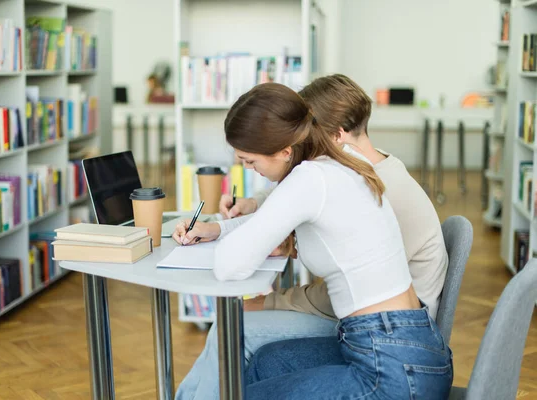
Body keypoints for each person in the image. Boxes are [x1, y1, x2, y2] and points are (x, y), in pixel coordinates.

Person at [172, 82, 453, 398]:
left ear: (285, 151)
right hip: (408, 347)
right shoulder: (341, 159)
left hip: (390, 367)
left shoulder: (311, 178)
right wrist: (222, 230)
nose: (249, 169)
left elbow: (228, 266)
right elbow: (275, 214)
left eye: (250, 161)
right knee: (266, 362)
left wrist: (235, 235)